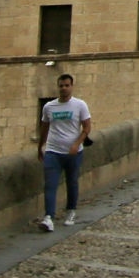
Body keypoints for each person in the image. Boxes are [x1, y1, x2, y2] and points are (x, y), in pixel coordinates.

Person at [37, 73, 91, 231]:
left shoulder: (80, 105)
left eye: (67, 85)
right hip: (53, 151)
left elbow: (87, 127)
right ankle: (48, 217)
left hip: (73, 153)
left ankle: (71, 211)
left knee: (72, 182)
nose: (64, 88)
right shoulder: (49, 107)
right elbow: (44, 128)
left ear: (72, 86)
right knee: (50, 184)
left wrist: (76, 144)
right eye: (61, 86)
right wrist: (40, 146)